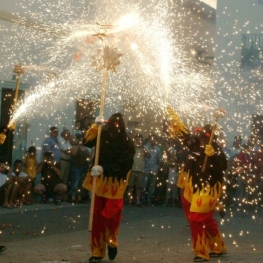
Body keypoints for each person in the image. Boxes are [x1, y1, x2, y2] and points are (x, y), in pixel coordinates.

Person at [82, 112, 135, 262]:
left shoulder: (127, 143)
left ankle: (112, 240)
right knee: (97, 216)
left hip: (116, 182)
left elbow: (125, 165)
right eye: (110, 127)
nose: (113, 131)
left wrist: (105, 169)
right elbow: (86, 142)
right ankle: (97, 252)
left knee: (111, 214)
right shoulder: (101, 134)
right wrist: (94, 127)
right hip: (100, 180)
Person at [179, 125, 228, 262]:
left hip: (209, 188)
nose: (200, 139)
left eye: (203, 137)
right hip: (195, 187)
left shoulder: (216, 149)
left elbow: (223, 166)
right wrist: (177, 125)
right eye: (199, 136)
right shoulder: (194, 145)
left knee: (196, 218)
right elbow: (185, 137)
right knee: (206, 218)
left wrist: (213, 156)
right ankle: (218, 247)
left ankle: (201, 252)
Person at [127, 133, 150, 207]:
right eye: (136, 139)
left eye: (139, 139)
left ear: (141, 140)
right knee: (130, 186)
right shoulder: (131, 147)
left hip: (140, 170)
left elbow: (149, 156)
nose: (138, 140)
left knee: (139, 187)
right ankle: (130, 201)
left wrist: (142, 147)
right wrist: (134, 146)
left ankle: (138, 201)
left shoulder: (144, 147)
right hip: (132, 169)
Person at [69, 134, 90, 203]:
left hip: (83, 167)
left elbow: (89, 155)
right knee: (75, 181)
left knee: (81, 182)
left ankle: (79, 196)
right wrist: (78, 145)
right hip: (76, 166)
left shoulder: (85, 148)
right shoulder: (75, 146)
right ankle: (73, 196)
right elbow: (73, 154)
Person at [143, 133, 162, 206]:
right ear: (149, 139)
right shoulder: (145, 147)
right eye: (152, 138)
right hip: (146, 168)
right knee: (144, 185)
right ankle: (142, 200)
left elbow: (159, 159)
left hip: (154, 169)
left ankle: (149, 200)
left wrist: (158, 167)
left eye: (155, 139)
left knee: (152, 186)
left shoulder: (158, 149)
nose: (153, 140)